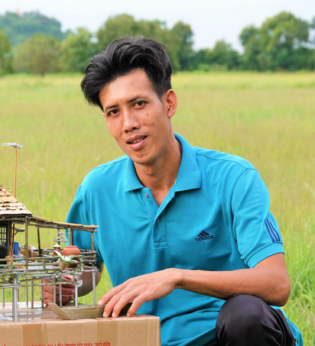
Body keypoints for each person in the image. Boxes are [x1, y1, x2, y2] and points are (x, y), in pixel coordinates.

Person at [43, 37, 303, 346]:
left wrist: (175, 276)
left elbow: (276, 284)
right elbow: (86, 271)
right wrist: (68, 283)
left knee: (245, 314)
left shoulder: (233, 178)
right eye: (114, 112)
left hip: (228, 336)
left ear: (169, 103)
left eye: (139, 104)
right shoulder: (96, 188)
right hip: (147, 339)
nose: (128, 124)